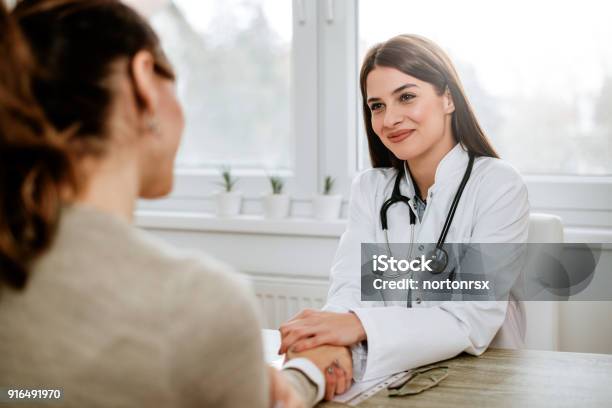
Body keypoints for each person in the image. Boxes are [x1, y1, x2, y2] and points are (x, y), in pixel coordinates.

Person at [0, 0, 350, 406]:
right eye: (377, 105)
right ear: (144, 81)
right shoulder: (198, 303)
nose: (390, 119)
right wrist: (317, 362)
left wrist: (302, 373)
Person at [279, 34, 529, 387]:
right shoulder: (370, 189)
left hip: (479, 380)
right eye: (377, 106)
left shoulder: (499, 185)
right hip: (394, 372)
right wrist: (325, 338)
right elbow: (350, 287)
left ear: (447, 98)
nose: (389, 118)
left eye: (406, 97)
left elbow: (471, 319)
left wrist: (359, 326)